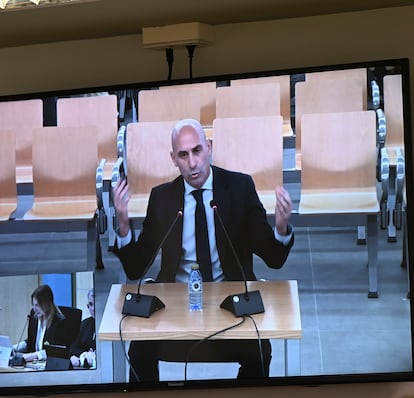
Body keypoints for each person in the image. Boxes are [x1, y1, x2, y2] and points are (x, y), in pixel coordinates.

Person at [112, 118, 294, 382]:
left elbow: (273, 258)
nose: (193, 162)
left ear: (208, 147)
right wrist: (123, 226)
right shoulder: (162, 198)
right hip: (176, 308)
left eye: (197, 151)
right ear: (173, 159)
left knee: (259, 352)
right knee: (140, 351)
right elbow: (136, 267)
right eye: (183, 155)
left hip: (230, 306)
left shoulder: (240, 188)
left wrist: (281, 227)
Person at [13, 284, 70, 363]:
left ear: (46, 304)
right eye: (33, 305)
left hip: (48, 366)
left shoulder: (59, 322)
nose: (34, 309)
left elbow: (56, 352)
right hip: (33, 364)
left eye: (37, 305)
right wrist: (14, 348)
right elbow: (30, 341)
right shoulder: (34, 316)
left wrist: (34, 355)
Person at [69, 288, 96, 369]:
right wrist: (84, 354)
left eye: (96, 304)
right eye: (90, 305)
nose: (93, 309)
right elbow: (73, 347)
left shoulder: (110, 326)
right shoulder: (85, 324)